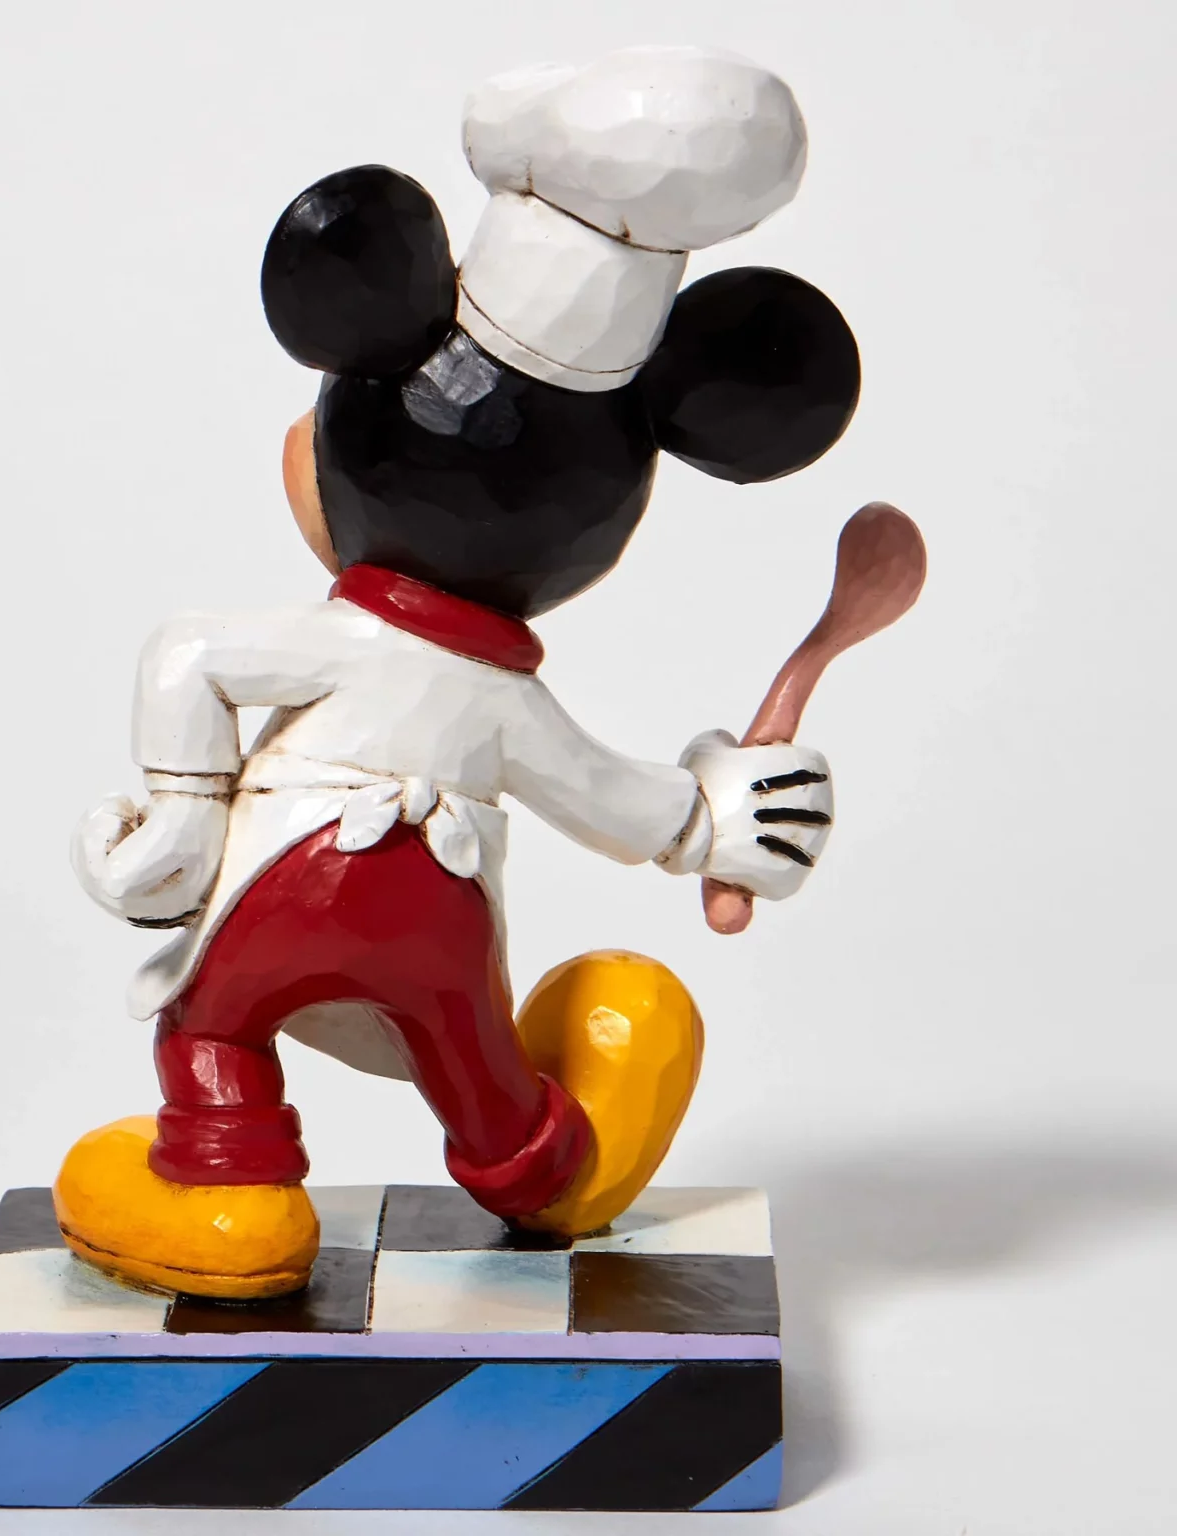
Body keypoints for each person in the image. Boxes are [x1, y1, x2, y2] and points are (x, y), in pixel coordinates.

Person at [54, 46, 858, 1299]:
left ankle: (225, 1184)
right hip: (442, 921)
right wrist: (723, 820)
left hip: (277, 892)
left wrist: (180, 818)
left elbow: (191, 655)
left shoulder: (346, 643)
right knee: (477, 1072)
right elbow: (614, 798)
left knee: (209, 1026)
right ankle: (539, 1164)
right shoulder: (506, 704)